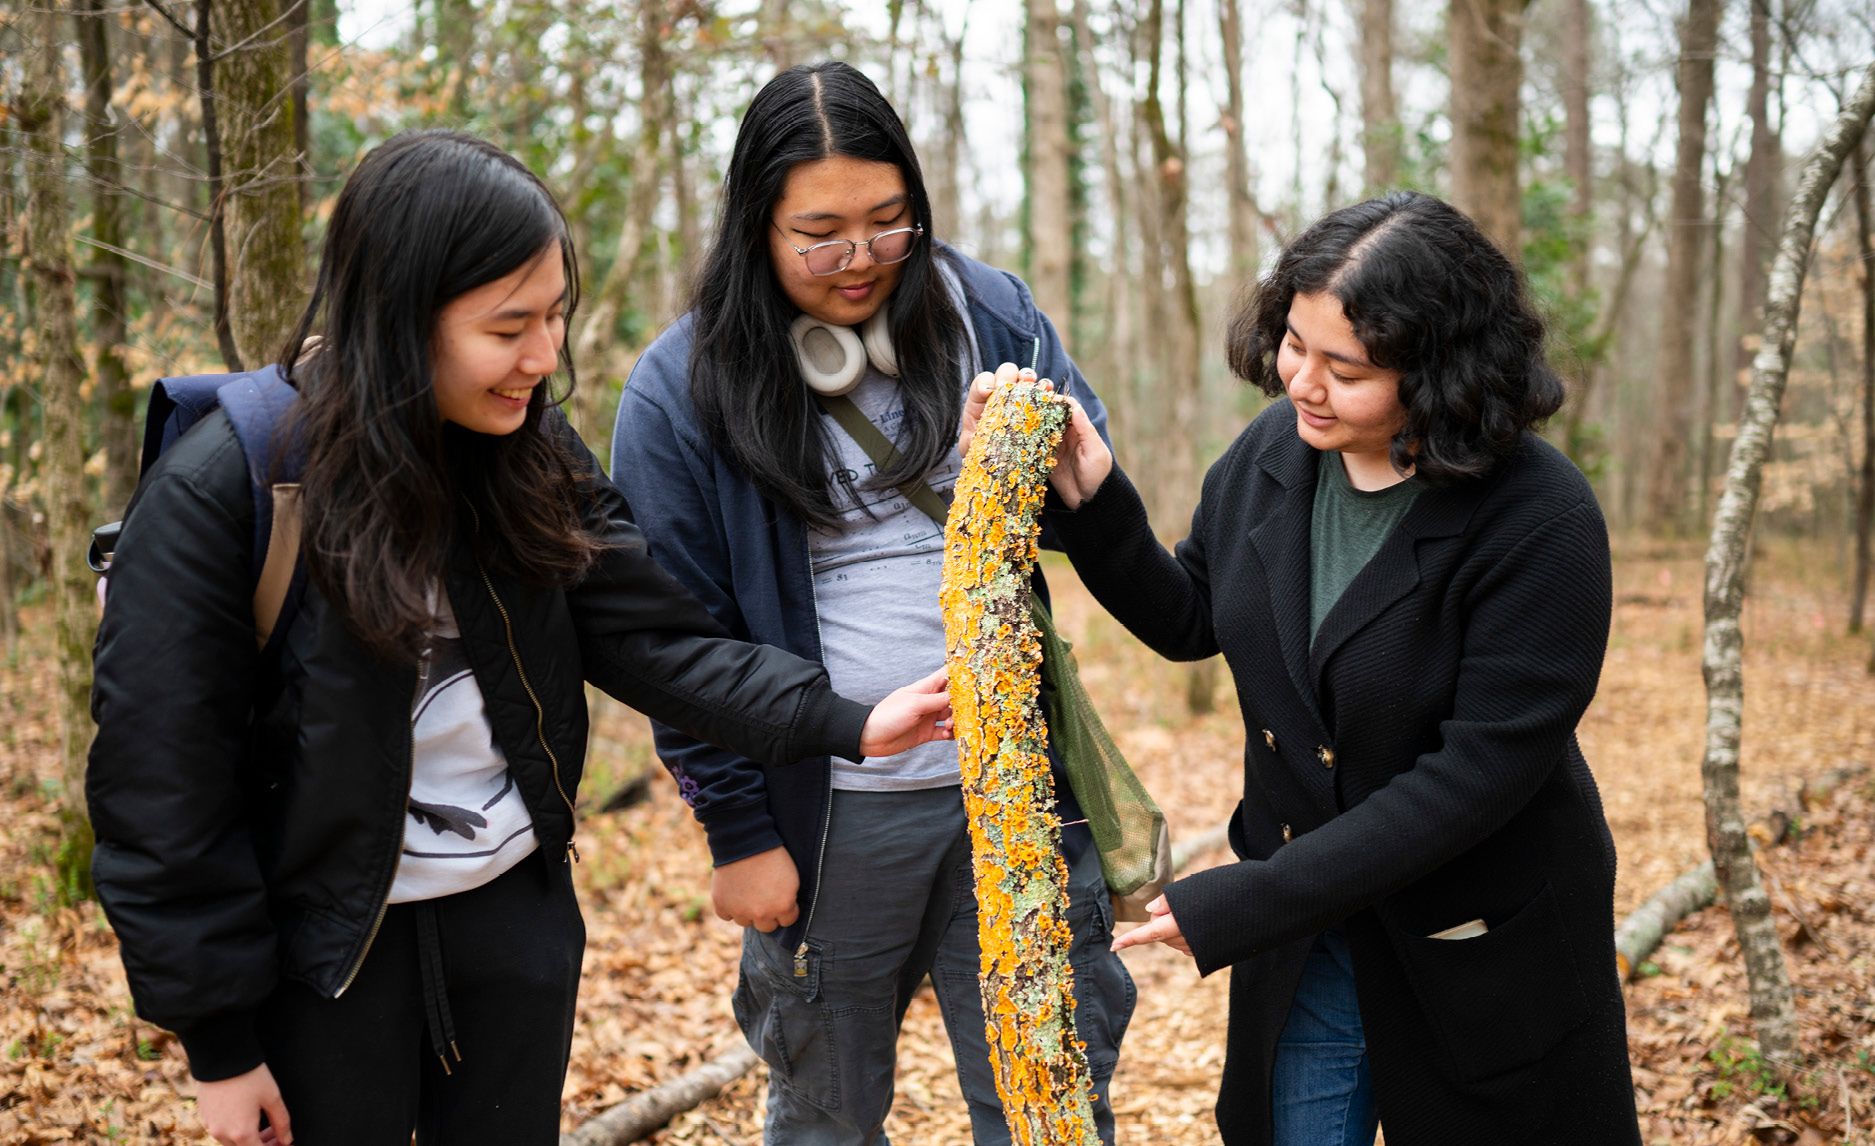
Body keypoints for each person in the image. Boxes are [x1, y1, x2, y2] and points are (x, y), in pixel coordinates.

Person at [87, 129, 955, 1146]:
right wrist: (221, 1046)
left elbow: (655, 641)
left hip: (513, 930)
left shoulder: (530, 452)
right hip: (321, 958)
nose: (543, 358)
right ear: (401, 319)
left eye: (554, 318)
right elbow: (162, 790)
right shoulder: (228, 488)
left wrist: (850, 722)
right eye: (508, 328)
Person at [975, 190, 1642, 1145]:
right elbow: (1193, 614)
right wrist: (1093, 497)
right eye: (1295, 343)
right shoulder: (1273, 454)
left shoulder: (1540, 519)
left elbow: (1474, 779)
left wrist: (1248, 896)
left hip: (1473, 939)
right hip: (1311, 940)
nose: (1302, 383)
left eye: (1347, 367)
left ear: (1444, 371)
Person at [609, 61, 1135, 1145]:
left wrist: (1086, 474)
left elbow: (1083, 497)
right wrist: (738, 830)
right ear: (756, 225)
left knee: (1049, 1091)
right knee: (826, 1107)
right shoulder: (683, 388)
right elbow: (673, 637)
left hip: (1016, 796)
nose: (861, 261)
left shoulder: (985, 310)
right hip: (831, 814)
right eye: (822, 234)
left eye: (890, 223)